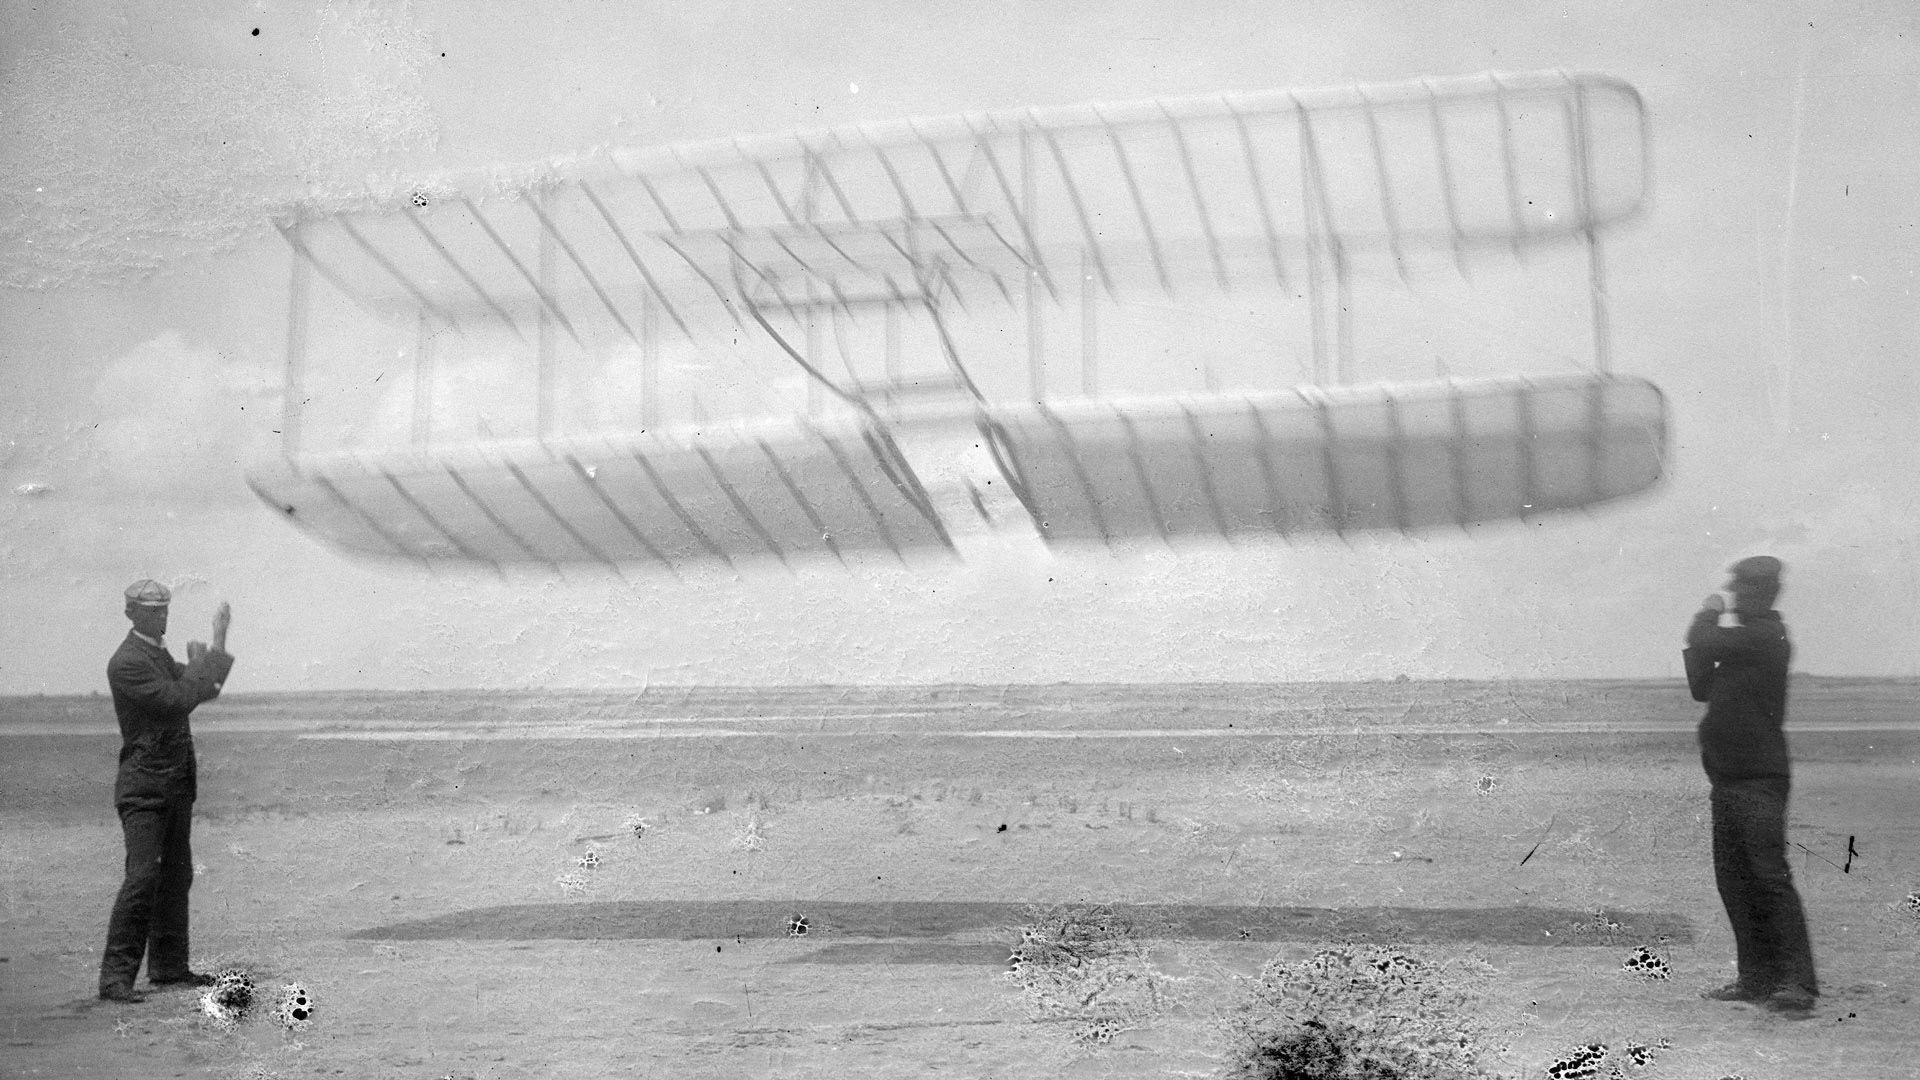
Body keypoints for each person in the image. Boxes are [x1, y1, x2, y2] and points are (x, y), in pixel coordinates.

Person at [1683, 555, 1818, 1017]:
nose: (1735, 597)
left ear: (1764, 593)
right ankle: (1757, 979)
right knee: (1735, 881)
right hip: (1728, 775)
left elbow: (1703, 637)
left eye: (1742, 589)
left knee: (1767, 878)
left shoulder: (1766, 636)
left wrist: (1707, 613)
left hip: (1758, 779)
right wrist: (1705, 635)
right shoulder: (1744, 644)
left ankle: (1796, 984)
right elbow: (1701, 687)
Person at [97, 580, 235, 1003]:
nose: (162, 617)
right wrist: (197, 662)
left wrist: (217, 642)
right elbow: (178, 699)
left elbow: (205, 690)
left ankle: (169, 968)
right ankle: (115, 980)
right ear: (131, 614)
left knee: (175, 875)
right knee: (142, 878)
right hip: (144, 789)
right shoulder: (127, 662)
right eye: (152, 611)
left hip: (174, 783)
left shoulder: (155, 655)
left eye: (164, 610)